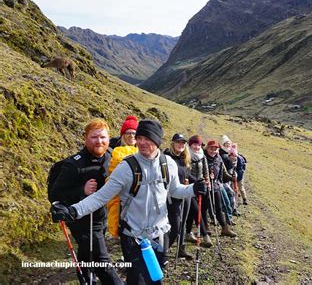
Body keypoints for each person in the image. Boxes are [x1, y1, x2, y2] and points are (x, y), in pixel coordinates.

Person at [51, 119, 208, 285]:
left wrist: (193, 189)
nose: (141, 142)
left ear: (157, 140)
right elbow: (100, 197)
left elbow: (175, 190)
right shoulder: (126, 168)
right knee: (138, 280)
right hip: (134, 238)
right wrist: (73, 211)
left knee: (155, 278)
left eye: (147, 139)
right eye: (139, 138)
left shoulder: (167, 163)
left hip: (161, 235)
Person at [49, 118, 122, 285]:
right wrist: (81, 190)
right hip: (82, 220)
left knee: (88, 253)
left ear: (109, 138)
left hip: (102, 216)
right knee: (101, 260)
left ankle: (86, 280)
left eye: (103, 137)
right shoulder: (74, 164)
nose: (99, 141)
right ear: (85, 138)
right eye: (94, 137)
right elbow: (55, 194)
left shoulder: (112, 156)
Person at [106, 116, 139, 239]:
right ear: (123, 135)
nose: (131, 136)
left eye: (134, 133)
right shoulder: (116, 153)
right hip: (122, 194)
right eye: (128, 133)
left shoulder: (144, 151)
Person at [163, 133, 193, 260]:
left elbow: (188, 175)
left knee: (183, 222)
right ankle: (162, 252)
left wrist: (197, 182)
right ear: (173, 143)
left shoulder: (184, 158)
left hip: (185, 194)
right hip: (171, 197)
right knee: (174, 226)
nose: (181, 145)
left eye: (183, 143)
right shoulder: (165, 157)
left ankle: (181, 248)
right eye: (178, 142)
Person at [184, 135, 213, 247]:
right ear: (190, 144)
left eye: (199, 145)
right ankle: (205, 235)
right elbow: (187, 171)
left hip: (202, 186)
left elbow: (205, 169)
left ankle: (187, 233)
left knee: (194, 211)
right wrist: (196, 181)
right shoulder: (186, 154)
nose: (197, 147)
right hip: (190, 186)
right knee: (196, 209)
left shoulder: (202, 155)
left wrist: (207, 180)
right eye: (195, 144)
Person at [205, 140, 237, 237]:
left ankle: (224, 228)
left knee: (218, 208)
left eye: (215, 149)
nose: (213, 151)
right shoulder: (203, 158)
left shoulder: (218, 158)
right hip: (205, 187)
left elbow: (223, 172)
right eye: (211, 149)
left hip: (216, 186)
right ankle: (205, 228)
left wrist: (231, 177)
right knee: (204, 209)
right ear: (207, 148)